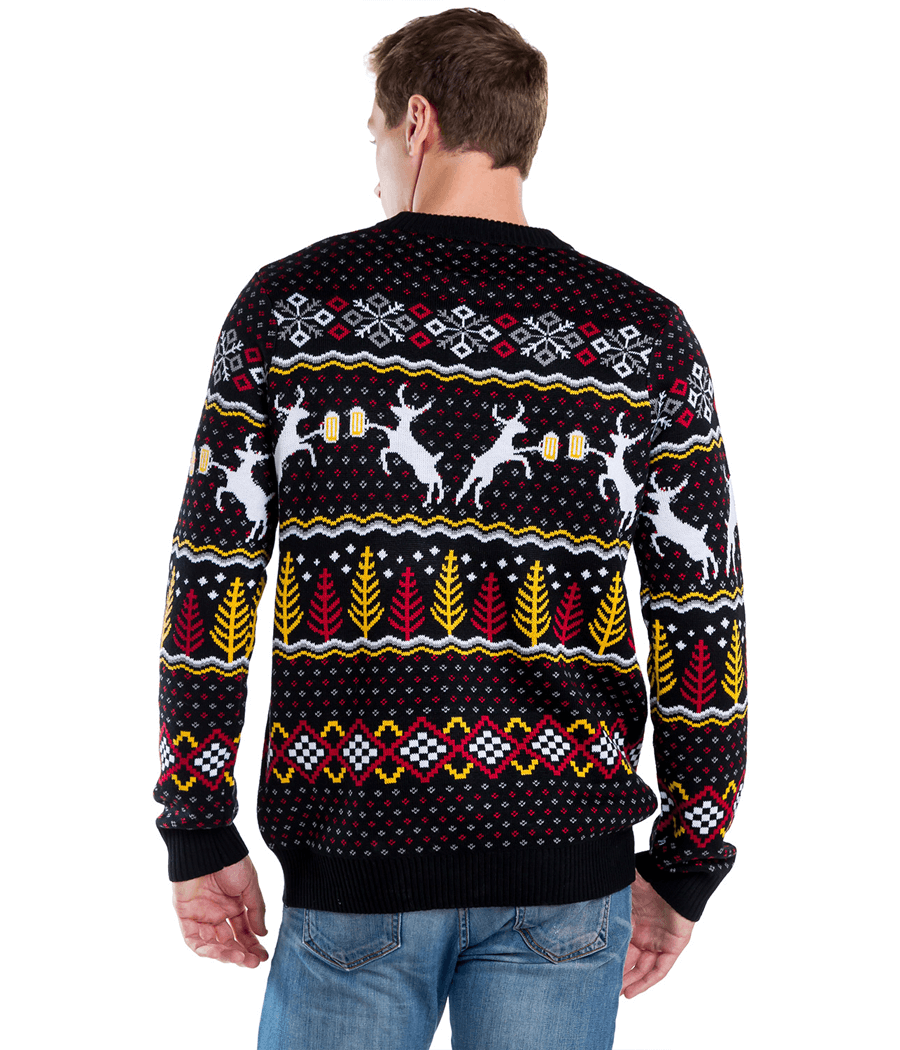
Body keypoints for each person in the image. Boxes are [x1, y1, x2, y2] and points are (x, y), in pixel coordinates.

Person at [155, 8, 748, 1049]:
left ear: (418, 121)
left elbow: (213, 576)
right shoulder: (641, 335)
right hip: (564, 867)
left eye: (375, 139)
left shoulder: (291, 310)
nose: (376, 172)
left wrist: (198, 827)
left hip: (357, 854)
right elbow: (703, 611)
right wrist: (688, 860)